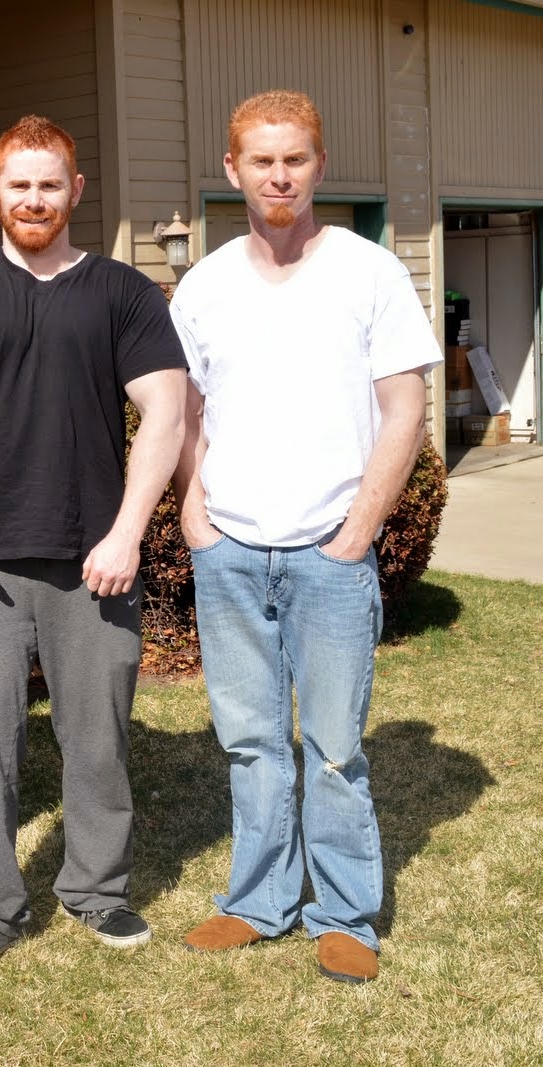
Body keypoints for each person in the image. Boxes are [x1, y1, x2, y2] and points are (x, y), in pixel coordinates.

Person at [0, 115, 187, 975]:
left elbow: (165, 413)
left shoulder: (123, 293)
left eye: (49, 184)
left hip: (95, 563)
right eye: (18, 184)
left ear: (75, 190)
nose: (34, 198)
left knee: (97, 739)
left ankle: (97, 889)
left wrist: (128, 533)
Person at [169, 90, 439, 984]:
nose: (279, 175)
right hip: (231, 552)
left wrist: (358, 531)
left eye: (295, 159)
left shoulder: (370, 273)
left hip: (330, 551)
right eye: (262, 160)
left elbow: (405, 409)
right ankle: (258, 901)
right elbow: (185, 411)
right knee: (250, 741)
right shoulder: (205, 285)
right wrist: (196, 515)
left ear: (320, 165)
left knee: (332, 747)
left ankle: (344, 912)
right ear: (232, 169)